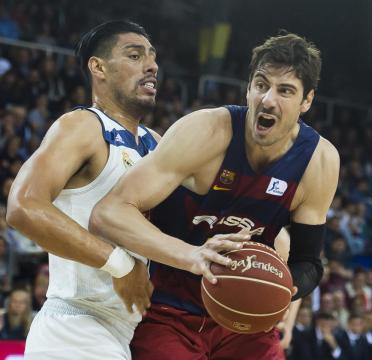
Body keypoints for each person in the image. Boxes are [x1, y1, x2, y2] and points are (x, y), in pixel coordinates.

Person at [91, 32, 340, 359]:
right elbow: (108, 213)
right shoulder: (206, 131)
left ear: (307, 101)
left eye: (285, 91)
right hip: (170, 310)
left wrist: (276, 289)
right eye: (261, 84)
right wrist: (192, 256)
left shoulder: (319, 161)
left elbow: (307, 262)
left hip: (244, 323)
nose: (267, 100)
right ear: (248, 87)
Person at [6, 20, 195, 359]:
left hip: (133, 331)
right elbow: (22, 206)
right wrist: (120, 265)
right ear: (98, 67)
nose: (151, 66)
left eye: (152, 58)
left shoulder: (158, 144)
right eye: (135, 56)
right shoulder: (83, 126)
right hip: (77, 328)